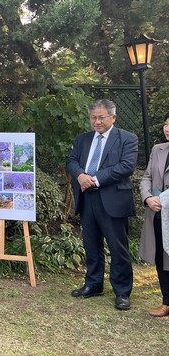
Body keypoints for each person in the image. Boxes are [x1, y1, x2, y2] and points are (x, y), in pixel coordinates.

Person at [66, 99, 138, 310]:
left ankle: (122, 292)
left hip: (112, 198)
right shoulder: (82, 139)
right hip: (87, 198)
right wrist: (80, 175)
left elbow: (126, 166)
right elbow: (71, 161)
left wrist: (94, 178)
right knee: (91, 245)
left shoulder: (127, 138)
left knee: (118, 248)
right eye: (93, 118)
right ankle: (93, 284)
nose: (96, 122)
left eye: (101, 117)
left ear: (113, 117)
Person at [139, 112, 169, 317]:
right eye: (166, 124)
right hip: (157, 213)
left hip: (164, 205)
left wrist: (164, 199)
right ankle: (166, 302)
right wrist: (148, 198)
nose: (167, 128)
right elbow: (146, 177)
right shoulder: (158, 149)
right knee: (162, 258)